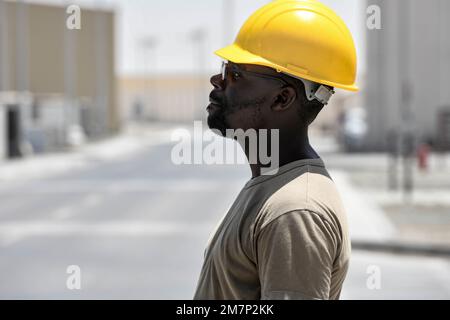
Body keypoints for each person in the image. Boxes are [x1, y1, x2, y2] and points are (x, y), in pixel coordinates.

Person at [194, 0, 358, 300]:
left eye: (235, 73)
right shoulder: (274, 187)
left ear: (282, 99)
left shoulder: (295, 211)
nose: (217, 80)